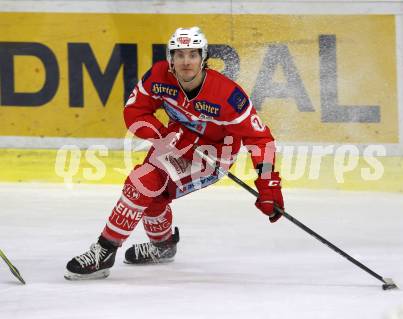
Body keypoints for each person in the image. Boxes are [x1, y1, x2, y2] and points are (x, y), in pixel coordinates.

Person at [64, 26, 285, 280]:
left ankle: (104, 252)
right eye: (179, 55)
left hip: (212, 155)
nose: (186, 62)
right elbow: (134, 112)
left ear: (204, 58)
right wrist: (163, 137)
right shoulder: (159, 76)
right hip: (175, 140)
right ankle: (163, 246)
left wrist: (268, 183)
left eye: (192, 55)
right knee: (149, 194)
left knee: (142, 183)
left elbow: (259, 138)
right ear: (171, 59)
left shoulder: (227, 95)